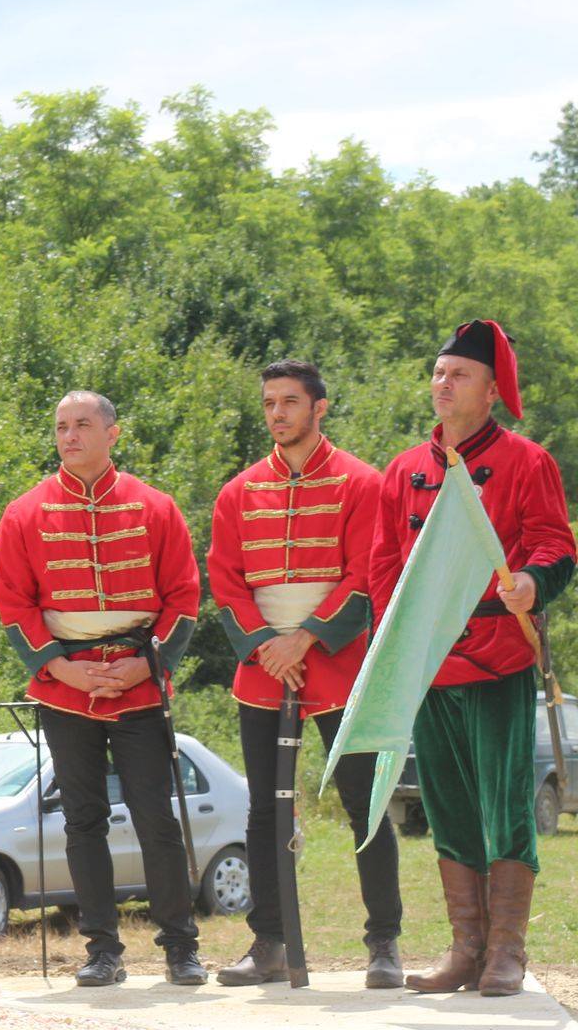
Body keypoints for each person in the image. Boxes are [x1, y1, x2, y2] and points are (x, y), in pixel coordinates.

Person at [374, 321, 574, 996]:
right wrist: (392, 650)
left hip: (498, 657)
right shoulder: (404, 469)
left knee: (507, 805)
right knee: (449, 806)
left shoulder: (527, 461)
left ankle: (506, 951)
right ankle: (466, 949)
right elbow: (384, 568)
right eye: (438, 372)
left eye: (458, 374)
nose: (443, 383)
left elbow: (556, 545)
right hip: (430, 662)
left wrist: (532, 582)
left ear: (491, 391)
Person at [0, 390, 206, 988]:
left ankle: (180, 947)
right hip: (66, 689)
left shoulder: (156, 507)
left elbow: (184, 597)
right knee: (82, 821)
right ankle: (102, 951)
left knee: (155, 818)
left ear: (112, 434)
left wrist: (147, 665)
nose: (70, 436)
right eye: (61, 426)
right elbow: (13, 604)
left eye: (82, 424)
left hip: (139, 684)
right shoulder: (24, 513)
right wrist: (62, 669)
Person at [207, 360, 402, 987]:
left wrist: (307, 638)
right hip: (266, 667)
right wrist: (268, 645)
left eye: (290, 401)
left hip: (338, 664)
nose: (277, 413)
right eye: (270, 403)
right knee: (263, 811)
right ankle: (269, 943)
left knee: (364, 803)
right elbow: (226, 579)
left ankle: (384, 944)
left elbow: (365, 573)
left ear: (319, 408)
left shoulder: (362, 483)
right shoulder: (238, 492)